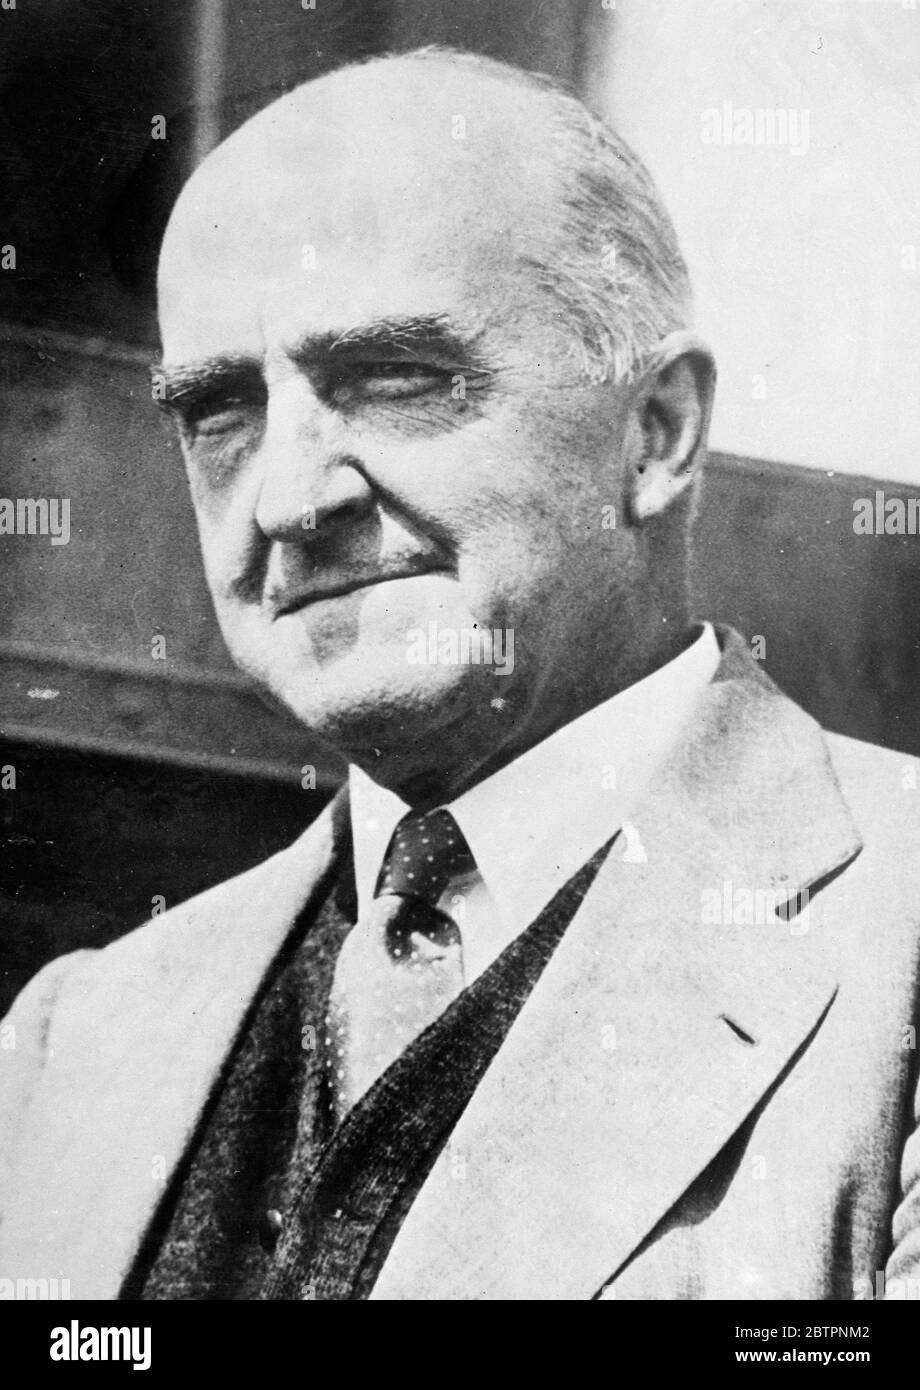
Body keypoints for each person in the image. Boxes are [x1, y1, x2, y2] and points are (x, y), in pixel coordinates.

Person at [2, 47, 919, 1302]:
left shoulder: (895, 949)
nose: (287, 499)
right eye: (219, 414)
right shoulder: (68, 1045)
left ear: (653, 434)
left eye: (392, 380)